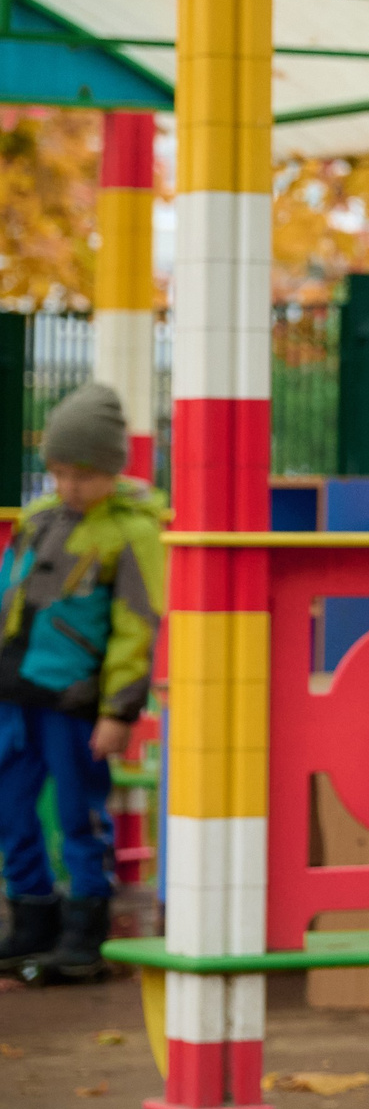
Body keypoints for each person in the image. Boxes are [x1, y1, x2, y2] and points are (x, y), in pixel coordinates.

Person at [0, 382, 165, 978]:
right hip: (14, 693)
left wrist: (119, 711)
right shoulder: (39, 518)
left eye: (84, 475)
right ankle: (30, 917)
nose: (70, 486)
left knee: (79, 814)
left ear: (112, 471)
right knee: (10, 809)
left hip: (75, 701)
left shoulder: (133, 531)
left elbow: (135, 628)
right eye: (60, 472)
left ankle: (84, 931)